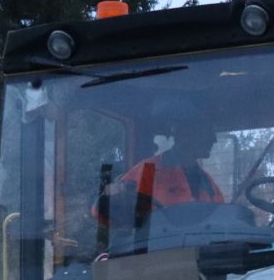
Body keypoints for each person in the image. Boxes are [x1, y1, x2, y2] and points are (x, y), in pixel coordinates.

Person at [94, 98, 224, 254]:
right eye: (207, 131)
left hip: (199, 265)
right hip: (154, 264)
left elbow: (221, 225)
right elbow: (103, 213)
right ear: (185, 134)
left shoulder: (207, 182)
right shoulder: (148, 172)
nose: (214, 140)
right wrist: (112, 198)